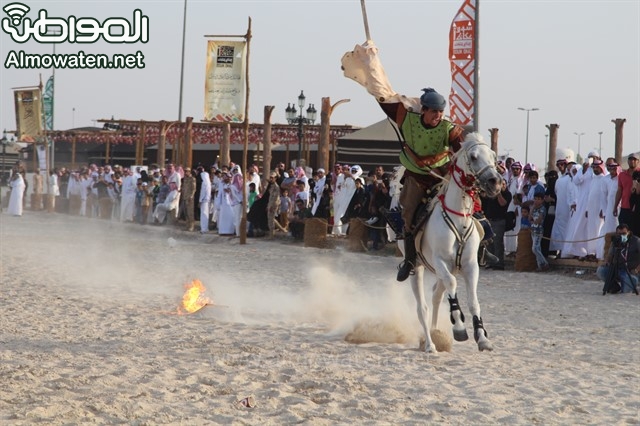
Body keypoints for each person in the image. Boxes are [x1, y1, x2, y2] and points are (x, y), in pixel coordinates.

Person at [343, 41, 465, 280]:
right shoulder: (405, 117)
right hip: (417, 177)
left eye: (441, 113)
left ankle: (481, 246)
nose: (438, 117)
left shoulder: (449, 128)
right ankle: (409, 261)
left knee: (470, 203)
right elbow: (382, 94)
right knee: (408, 215)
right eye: (434, 112)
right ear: (424, 110)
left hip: (443, 176)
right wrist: (371, 63)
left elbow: (463, 148)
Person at [596, 223, 640, 294]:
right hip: (617, 268)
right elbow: (610, 255)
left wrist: (636, 270)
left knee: (625, 292)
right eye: (619, 234)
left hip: (630, 271)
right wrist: (606, 262)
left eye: (624, 233)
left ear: (628, 232)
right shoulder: (616, 241)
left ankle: (632, 284)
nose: (622, 236)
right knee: (601, 270)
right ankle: (614, 287)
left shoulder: (636, 241)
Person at [481, 178, 512, 270]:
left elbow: (503, 203)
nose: (502, 186)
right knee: (489, 243)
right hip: (489, 220)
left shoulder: (507, 194)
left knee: (498, 242)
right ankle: (491, 262)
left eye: (503, 184)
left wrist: (498, 193)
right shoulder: (491, 194)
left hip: (499, 220)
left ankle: (499, 263)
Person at [530, 192, 550, 272]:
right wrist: (532, 209)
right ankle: (540, 266)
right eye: (535, 199)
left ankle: (545, 263)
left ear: (542, 200)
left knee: (535, 248)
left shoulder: (542, 209)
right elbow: (529, 218)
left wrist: (534, 221)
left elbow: (539, 220)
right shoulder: (534, 208)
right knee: (538, 248)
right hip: (533, 230)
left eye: (539, 199)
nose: (536, 201)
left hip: (539, 230)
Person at [199, 168, 212, 234]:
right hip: (207, 200)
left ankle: (203, 229)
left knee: (203, 214)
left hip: (204, 200)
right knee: (206, 214)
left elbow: (203, 193)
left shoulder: (204, 183)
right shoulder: (209, 183)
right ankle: (205, 228)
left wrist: (200, 200)